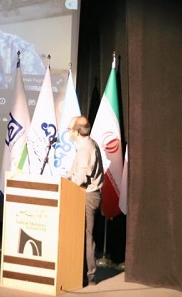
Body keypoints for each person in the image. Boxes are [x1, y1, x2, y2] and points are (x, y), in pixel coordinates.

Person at [66, 115, 104, 287]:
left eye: (69, 129)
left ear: (76, 131)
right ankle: (80, 273)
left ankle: (90, 276)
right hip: (84, 194)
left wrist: (67, 181)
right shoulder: (86, 145)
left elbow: (80, 178)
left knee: (86, 236)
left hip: (87, 196)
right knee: (81, 234)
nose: (68, 132)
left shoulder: (85, 149)